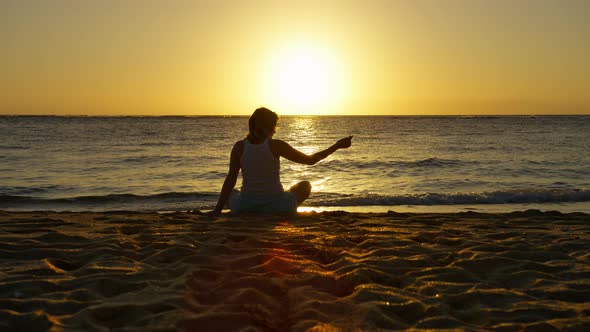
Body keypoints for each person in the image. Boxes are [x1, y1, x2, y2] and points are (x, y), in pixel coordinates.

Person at [208, 107, 352, 216]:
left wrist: (217, 210)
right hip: (277, 207)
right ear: (269, 127)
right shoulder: (276, 145)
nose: (275, 130)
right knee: (305, 185)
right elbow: (311, 161)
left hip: (245, 207)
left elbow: (230, 179)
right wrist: (336, 146)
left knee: (232, 191)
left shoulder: (239, 147)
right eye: (274, 125)